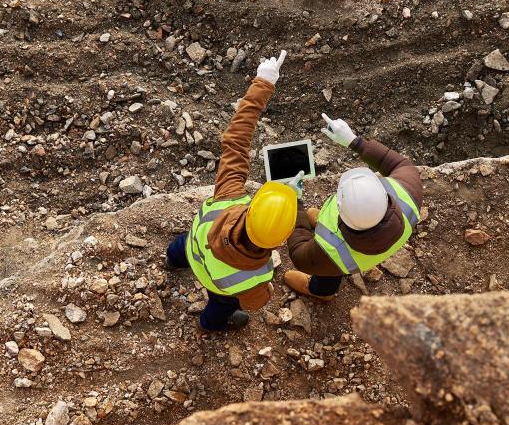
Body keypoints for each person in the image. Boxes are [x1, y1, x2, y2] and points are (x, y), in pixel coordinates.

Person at [166, 51, 302, 331]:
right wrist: (268, 293)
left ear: (253, 206)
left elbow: (236, 138)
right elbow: (254, 302)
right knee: (222, 307)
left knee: (180, 247)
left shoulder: (229, 196)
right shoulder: (257, 275)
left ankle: (172, 260)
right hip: (217, 286)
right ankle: (210, 325)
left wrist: (263, 82)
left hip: (194, 247)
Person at [284, 114, 423, 301]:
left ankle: (322, 291)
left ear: (339, 209)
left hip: (337, 260)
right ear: (383, 195)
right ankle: (320, 224)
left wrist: (295, 202)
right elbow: (399, 164)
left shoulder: (331, 251)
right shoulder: (408, 196)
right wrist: (355, 142)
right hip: (376, 244)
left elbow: (298, 252)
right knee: (333, 263)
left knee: (329, 273)